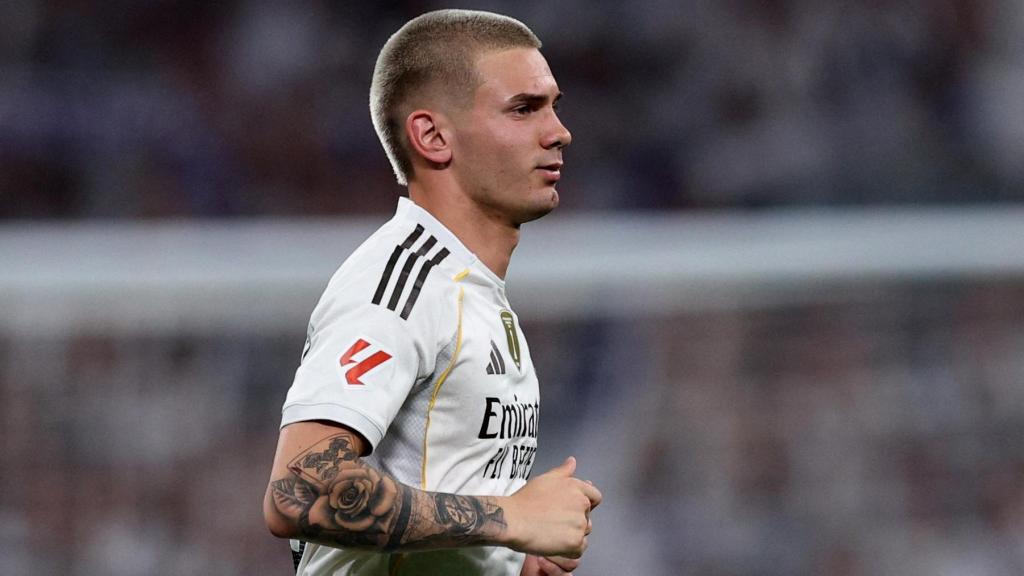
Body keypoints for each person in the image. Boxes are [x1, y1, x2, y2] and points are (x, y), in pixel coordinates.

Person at [262, 9, 602, 576]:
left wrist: (497, 560)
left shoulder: (471, 290)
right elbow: (297, 489)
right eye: (524, 109)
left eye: (554, 106)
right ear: (433, 136)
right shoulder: (401, 282)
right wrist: (509, 520)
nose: (559, 132)